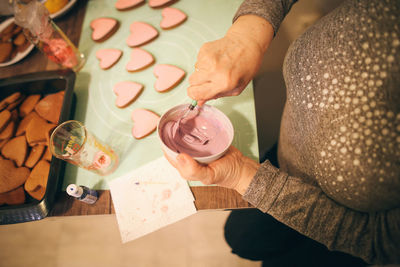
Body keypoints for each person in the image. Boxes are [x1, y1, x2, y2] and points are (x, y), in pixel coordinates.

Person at [165, 0, 400, 266]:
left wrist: (242, 175)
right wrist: (249, 32)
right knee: (241, 237)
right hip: (287, 159)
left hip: (347, 232)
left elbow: (379, 241)